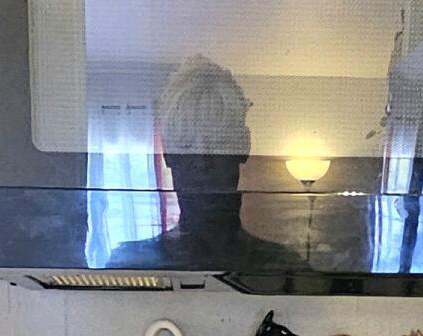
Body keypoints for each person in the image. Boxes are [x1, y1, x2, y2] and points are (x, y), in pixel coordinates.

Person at [102, 56, 302, 276]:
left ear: (243, 145)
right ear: (168, 154)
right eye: (185, 144)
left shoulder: (286, 267)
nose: (201, 162)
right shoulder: (130, 266)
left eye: (217, 142)